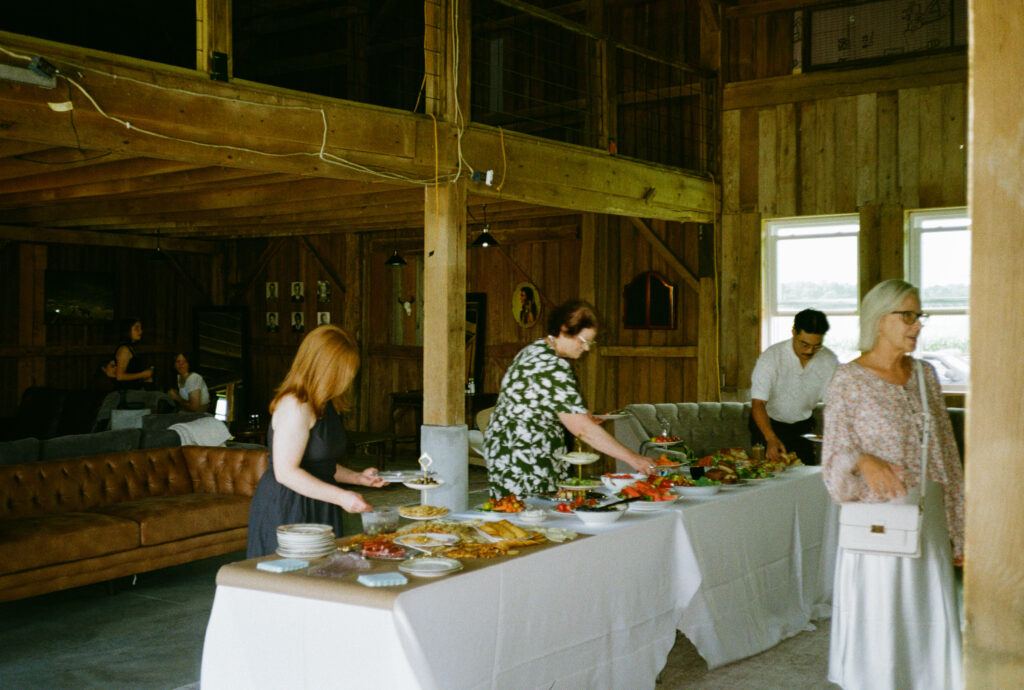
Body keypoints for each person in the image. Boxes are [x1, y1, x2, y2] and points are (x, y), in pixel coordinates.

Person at [821, 279, 964, 689]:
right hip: (877, 522)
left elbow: (947, 456)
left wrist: (959, 529)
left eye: (920, 316)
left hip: (929, 513)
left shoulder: (926, 375)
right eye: (908, 316)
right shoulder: (848, 380)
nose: (917, 325)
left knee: (928, 620)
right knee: (882, 621)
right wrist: (864, 460)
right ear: (879, 320)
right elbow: (832, 457)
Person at [484, 300, 655, 499]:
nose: (587, 348)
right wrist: (633, 459)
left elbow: (541, 403)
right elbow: (582, 430)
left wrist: (580, 415)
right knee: (533, 517)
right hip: (524, 454)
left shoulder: (534, 350)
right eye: (583, 341)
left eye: (590, 343)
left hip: (509, 449)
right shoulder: (553, 365)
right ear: (564, 329)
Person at [247, 325, 388, 558]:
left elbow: (321, 464)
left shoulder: (326, 404)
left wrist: (357, 478)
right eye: (343, 371)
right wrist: (341, 496)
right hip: (288, 506)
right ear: (323, 368)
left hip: (319, 500)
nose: (348, 379)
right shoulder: (295, 405)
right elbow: (286, 472)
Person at [749, 308, 838, 464]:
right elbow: (758, 403)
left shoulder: (829, 360)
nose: (810, 351)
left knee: (804, 477)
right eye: (804, 344)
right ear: (794, 332)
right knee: (770, 477)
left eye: (817, 345)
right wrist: (771, 438)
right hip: (768, 424)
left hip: (802, 426)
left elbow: (835, 403)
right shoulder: (772, 357)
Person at [114, 318, 155, 390]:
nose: (140, 331)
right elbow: (119, 377)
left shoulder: (132, 348)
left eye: (141, 328)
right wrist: (143, 374)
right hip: (127, 392)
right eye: (136, 328)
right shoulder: (124, 350)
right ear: (128, 330)